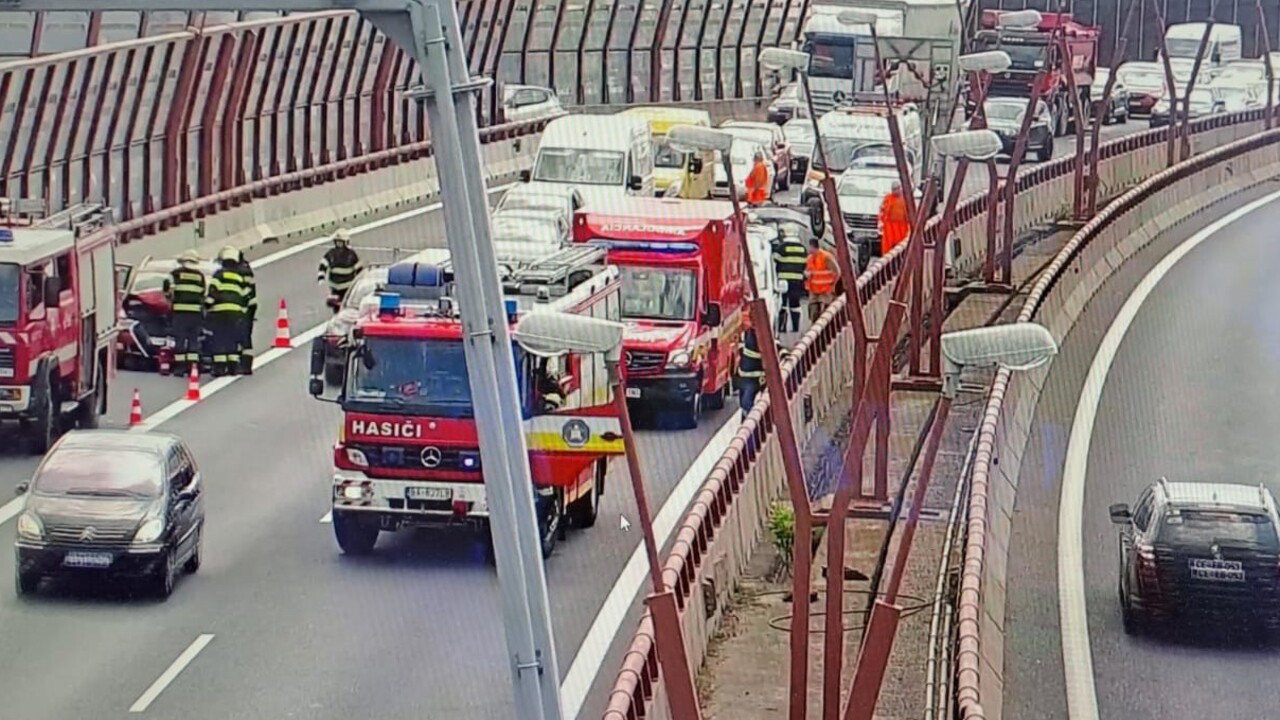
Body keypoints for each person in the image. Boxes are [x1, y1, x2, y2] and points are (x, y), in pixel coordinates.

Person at [205, 247, 252, 377]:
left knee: (220, 339)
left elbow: (213, 291)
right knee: (232, 339)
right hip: (236, 313)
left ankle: (220, 368)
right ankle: (233, 367)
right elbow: (245, 296)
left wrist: (207, 306)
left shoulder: (219, 274)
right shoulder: (239, 277)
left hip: (220, 311)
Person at [163, 250, 206, 375]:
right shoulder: (200, 276)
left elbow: (168, 292)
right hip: (195, 314)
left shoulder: (175, 274)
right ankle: (193, 367)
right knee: (193, 340)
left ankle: (180, 368)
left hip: (180, 313)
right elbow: (202, 294)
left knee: (180, 340)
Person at [772, 225, 807, 334]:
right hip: (797, 280)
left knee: (782, 303)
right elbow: (804, 264)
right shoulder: (802, 248)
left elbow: (774, 260)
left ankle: (782, 327)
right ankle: (795, 327)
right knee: (795, 304)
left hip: (783, 279)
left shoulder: (782, 247)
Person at [228, 246, 258, 375]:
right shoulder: (245, 268)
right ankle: (244, 364)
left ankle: (244, 365)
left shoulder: (241, 271)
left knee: (243, 336)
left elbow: (242, 291)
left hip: (245, 307)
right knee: (245, 335)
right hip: (248, 306)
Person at [318, 228, 363, 303]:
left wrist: (360, 281)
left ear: (345, 242)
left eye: (340, 242)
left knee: (347, 303)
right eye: (337, 242)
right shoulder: (331, 254)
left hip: (348, 287)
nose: (339, 245)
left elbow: (359, 268)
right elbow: (323, 264)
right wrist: (321, 277)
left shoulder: (351, 254)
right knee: (335, 304)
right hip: (334, 287)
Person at [736, 314, 765, 420]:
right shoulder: (746, 334)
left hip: (756, 378)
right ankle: (747, 424)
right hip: (744, 377)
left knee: (747, 402)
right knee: (745, 403)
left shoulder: (760, 335)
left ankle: (752, 426)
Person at [805, 237, 839, 323]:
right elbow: (809, 271)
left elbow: (837, 272)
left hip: (825, 290)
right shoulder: (809, 258)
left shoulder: (826, 257)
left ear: (813, 247)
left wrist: (833, 286)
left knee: (825, 312)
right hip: (814, 290)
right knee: (813, 311)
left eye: (810, 247)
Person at [878, 180, 911, 257]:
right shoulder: (887, 198)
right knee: (888, 247)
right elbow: (882, 211)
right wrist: (880, 222)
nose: (895, 191)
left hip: (902, 227)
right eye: (894, 189)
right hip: (889, 227)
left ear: (900, 188)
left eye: (897, 189)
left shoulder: (906, 199)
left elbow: (911, 212)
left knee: (901, 245)